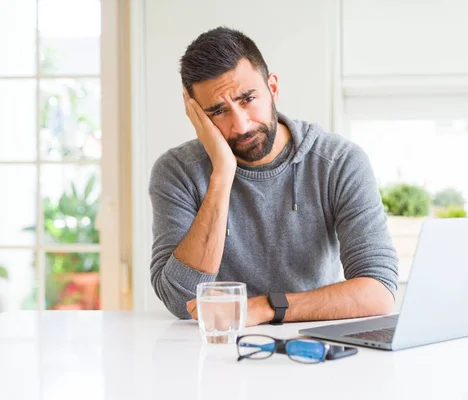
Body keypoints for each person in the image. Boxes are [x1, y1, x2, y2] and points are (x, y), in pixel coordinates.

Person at [149, 26, 398, 325]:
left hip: (311, 346)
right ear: (197, 116)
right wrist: (223, 174)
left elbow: (379, 292)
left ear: (273, 87)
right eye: (217, 111)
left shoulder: (339, 162)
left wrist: (267, 307)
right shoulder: (177, 171)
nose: (240, 125)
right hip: (219, 350)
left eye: (247, 99)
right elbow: (181, 300)